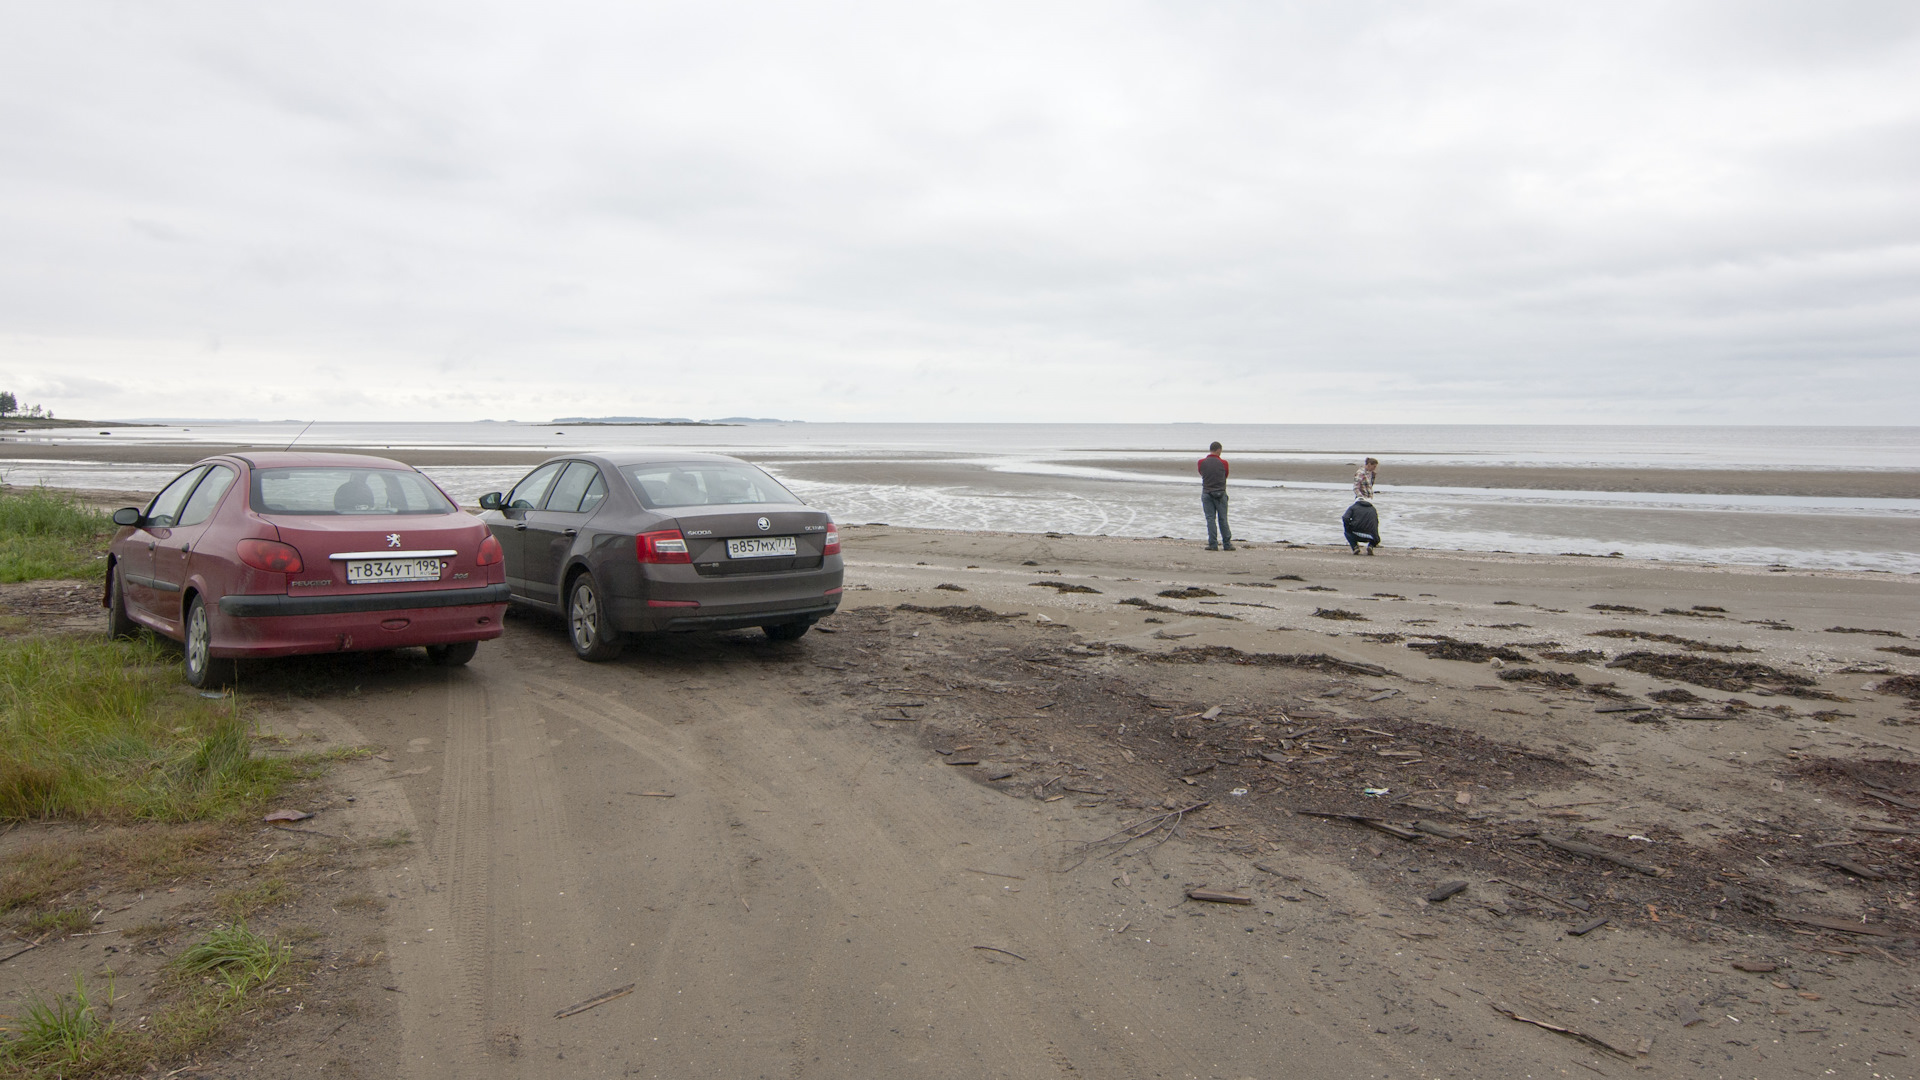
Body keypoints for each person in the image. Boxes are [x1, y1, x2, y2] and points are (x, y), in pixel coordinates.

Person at [1197, 441, 1233, 551]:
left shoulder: (1201, 462)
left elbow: (1202, 473)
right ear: (1218, 450)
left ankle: (1213, 543)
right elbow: (1225, 475)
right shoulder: (1224, 463)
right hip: (1220, 492)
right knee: (1223, 519)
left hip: (1207, 492)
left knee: (1210, 519)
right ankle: (1227, 543)